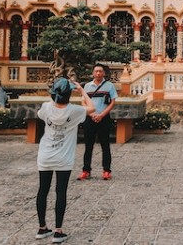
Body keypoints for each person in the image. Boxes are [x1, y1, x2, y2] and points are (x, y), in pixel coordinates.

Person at [36, 78, 95, 243]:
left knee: (43, 190)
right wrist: (82, 90)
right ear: (70, 94)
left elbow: (45, 110)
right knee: (60, 192)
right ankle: (58, 231)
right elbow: (92, 108)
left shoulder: (46, 108)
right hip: (63, 157)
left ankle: (42, 228)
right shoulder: (74, 111)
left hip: (45, 156)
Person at [78, 64, 118, 181]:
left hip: (103, 118)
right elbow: (83, 102)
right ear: (93, 73)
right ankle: (86, 170)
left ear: (104, 73)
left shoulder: (109, 86)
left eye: (101, 71)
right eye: (96, 71)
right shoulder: (87, 86)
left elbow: (112, 102)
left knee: (105, 145)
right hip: (90, 118)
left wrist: (101, 115)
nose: (98, 73)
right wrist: (91, 114)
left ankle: (106, 170)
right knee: (88, 145)